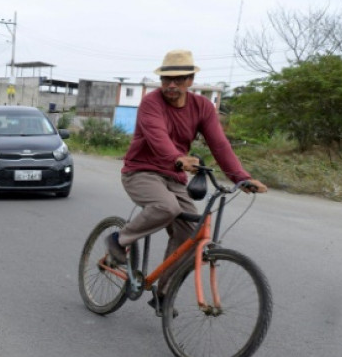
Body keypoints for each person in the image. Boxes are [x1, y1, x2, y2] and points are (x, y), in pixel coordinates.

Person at [105, 49, 268, 313]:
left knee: (190, 235)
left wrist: (242, 178)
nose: (172, 84)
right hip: (141, 171)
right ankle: (119, 240)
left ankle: (164, 292)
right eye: (167, 78)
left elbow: (220, 145)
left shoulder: (202, 107)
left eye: (179, 79)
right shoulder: (151, 103)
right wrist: (178, 157)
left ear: (190, 80)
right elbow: (158, 137)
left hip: (174, 177)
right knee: (167, 207)